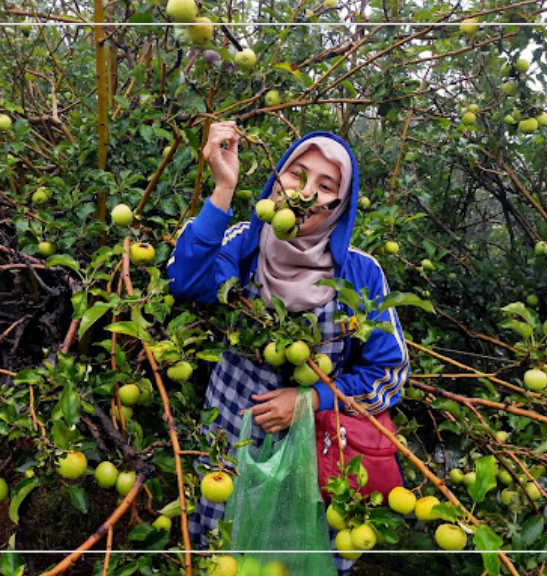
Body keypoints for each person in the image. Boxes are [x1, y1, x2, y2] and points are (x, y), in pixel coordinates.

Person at [166, 121, 410, 572]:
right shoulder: (245, 242)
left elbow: (388, 373)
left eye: (324, 185)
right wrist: (223, 187)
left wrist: (309, 399)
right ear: (277, 178)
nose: (304, 193)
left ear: (340, 205)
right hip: (228, 447)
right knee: (219, 554)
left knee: (292, 558)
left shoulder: (360, 274)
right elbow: (185, 281)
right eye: (297, 175)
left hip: (310, 464)